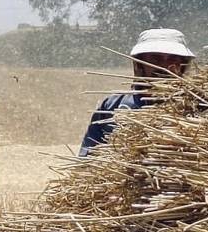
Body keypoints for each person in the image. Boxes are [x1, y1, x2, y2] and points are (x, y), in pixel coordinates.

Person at [78, 28, 194, 156]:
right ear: (139, 63)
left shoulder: (198, 107)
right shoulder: (112, 106)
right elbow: (88, 156)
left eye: (172, 59)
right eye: (155, 59)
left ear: (182, 65)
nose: (164, 67)